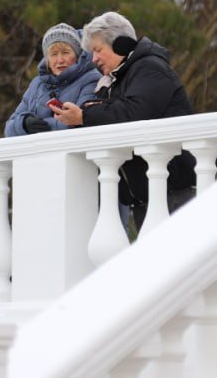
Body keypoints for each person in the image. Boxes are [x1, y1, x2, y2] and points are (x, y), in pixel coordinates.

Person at [51, 12, 197, 232]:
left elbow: (132, 113)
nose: (94, 60)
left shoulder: (151, 69)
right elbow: (111, 114)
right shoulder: (116, 80)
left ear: (122, 44)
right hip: (147, 197)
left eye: (98, 50)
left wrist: (84, 116)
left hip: (172, 194)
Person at [4, 23, 101, 136]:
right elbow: (9, 129)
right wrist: (24, 124)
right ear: (47, 60)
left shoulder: (91, 79)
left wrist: (40, 127)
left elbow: (78, 122)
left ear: (77, 55)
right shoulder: (37, 84)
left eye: (65, 52)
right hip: (37, 151)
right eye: (53, 54)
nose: (60, 60)